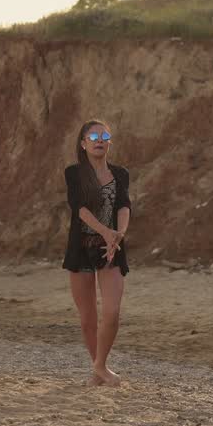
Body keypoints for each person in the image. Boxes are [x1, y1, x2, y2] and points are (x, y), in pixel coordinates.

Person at [62, 120, 131, 386]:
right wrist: (105, 231)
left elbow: (124, 205)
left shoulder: (120, 173)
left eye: (104, 135)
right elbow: (79, 209)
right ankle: (98, 370)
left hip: (111, 248)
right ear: (83, 144)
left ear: (109, 142)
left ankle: (100, 367)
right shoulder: (74, 173)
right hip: (81, 248)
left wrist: (119, 233)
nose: (99, 140)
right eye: (93, 136)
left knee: (112, 312)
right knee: (88, 317)